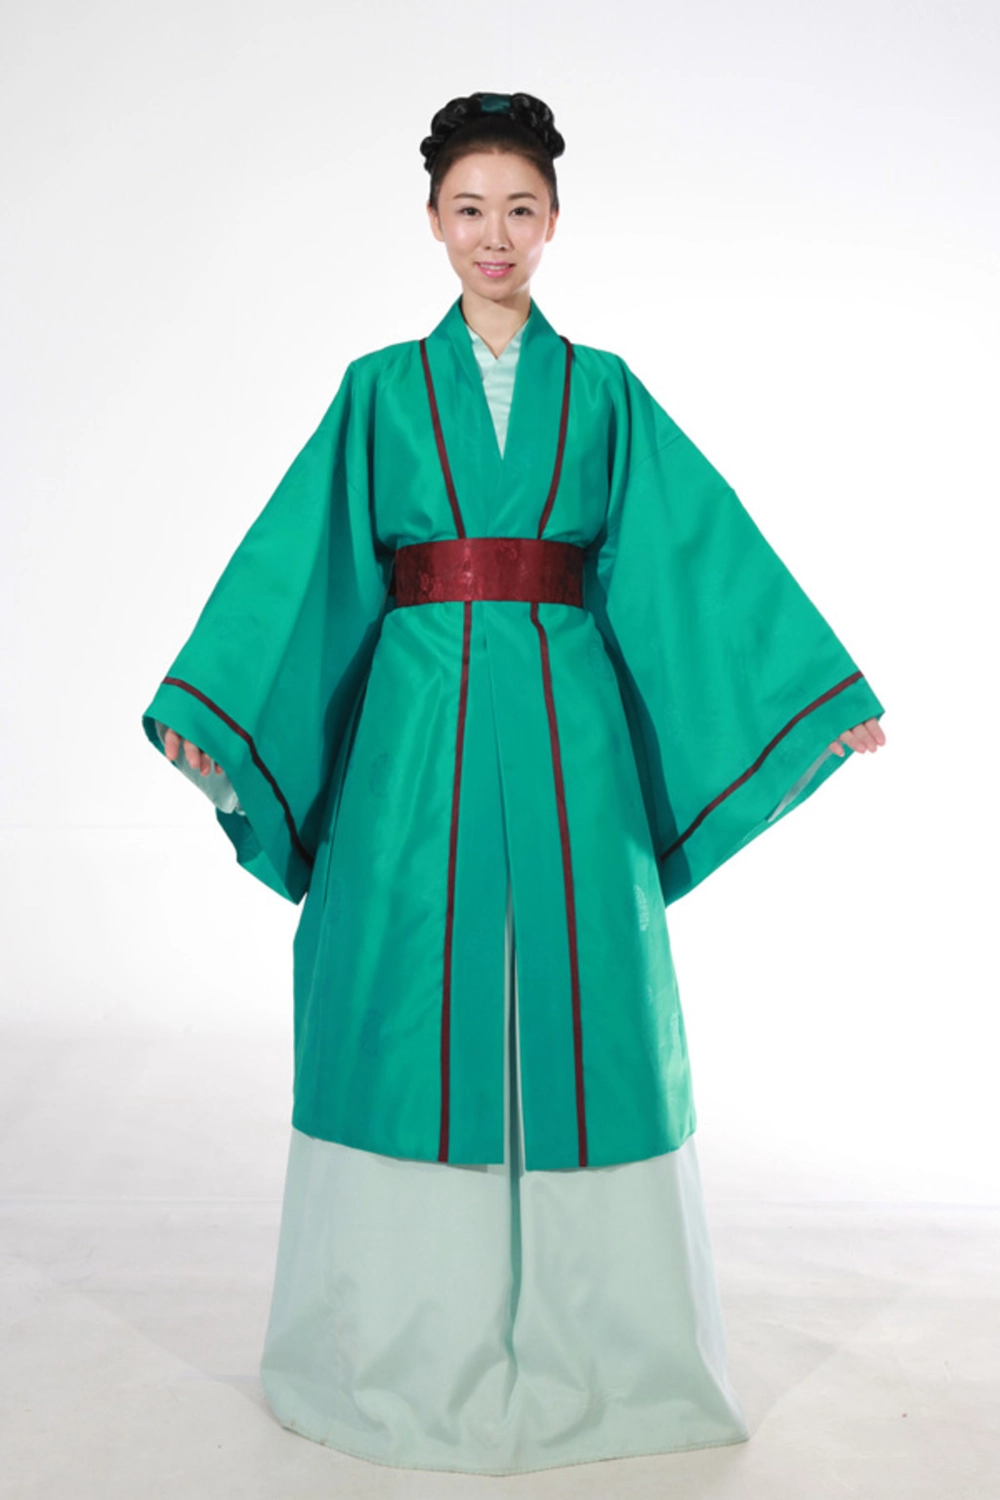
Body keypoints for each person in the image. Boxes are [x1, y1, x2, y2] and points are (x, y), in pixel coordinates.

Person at [142, 90, 887, 1476]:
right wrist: (219, 710)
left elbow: (692, 556)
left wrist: (806, 694)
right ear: (433, 220)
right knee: (396, 985)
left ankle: (605, 1350)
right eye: (470, 208)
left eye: (520, 209)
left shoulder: (604, 392)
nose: (496, 234)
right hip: (414, 733)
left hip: (567, 730)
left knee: (590, 988)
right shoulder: (378, 389)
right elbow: (303, 561)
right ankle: (395, 1345)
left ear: (555, 221)